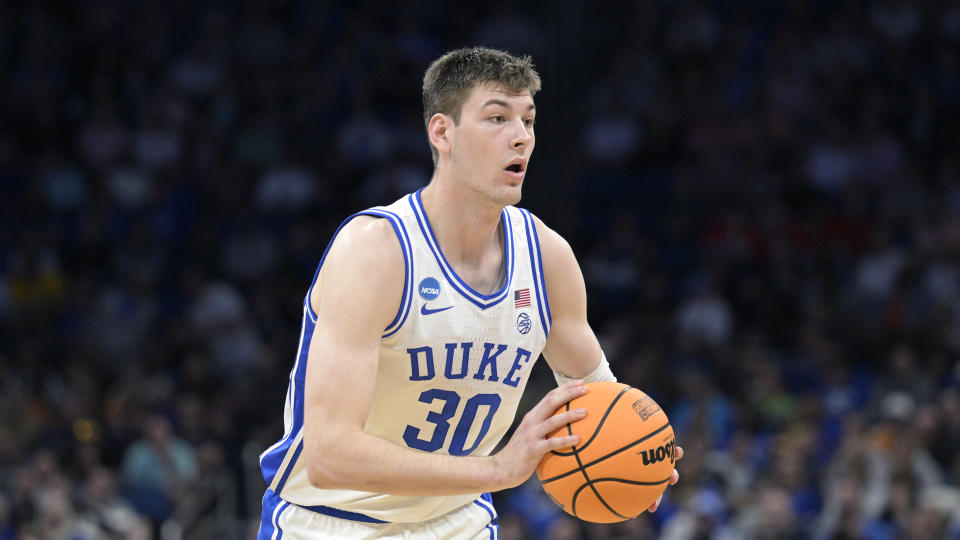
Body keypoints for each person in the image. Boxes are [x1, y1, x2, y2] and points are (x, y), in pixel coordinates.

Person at [257, 46, 683, 539]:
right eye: (497, 118)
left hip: (459, 522)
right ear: (443, 133)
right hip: (331, 523)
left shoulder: (547, 258)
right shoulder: (376, 252)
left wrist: (637, 451)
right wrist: (498, 470)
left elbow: (599, 400)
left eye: (528, 120)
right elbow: (329, 455)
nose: (521, 137)